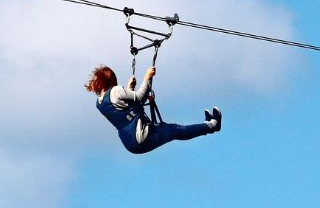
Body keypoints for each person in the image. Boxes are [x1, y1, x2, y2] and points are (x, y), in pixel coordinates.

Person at [86, 64, 220, 155]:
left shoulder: (99, 103)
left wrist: (129, 88)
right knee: (174, 130)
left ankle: (207, 125)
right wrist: (147, 78)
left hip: (130, 143)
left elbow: (124, 110)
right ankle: (212, 125)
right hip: (140, 136)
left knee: (169, 130)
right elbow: (139, 98)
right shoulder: (115, 90)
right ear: (111, 80)